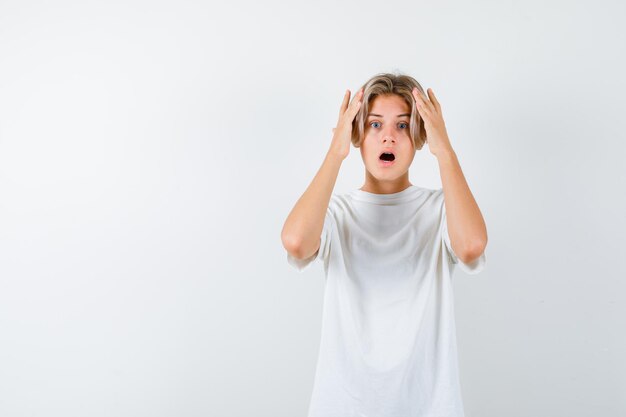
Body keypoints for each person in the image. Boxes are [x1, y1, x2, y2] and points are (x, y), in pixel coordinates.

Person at [280, 72, 488, 417]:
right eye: (375, 125)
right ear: (358, 133)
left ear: (420, 135)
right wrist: (336, 152)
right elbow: (297, 243)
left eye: (403, 126)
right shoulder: (337, 213)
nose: (388, 136)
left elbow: (471, 247)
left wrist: (445, 151)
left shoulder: (440, 209)